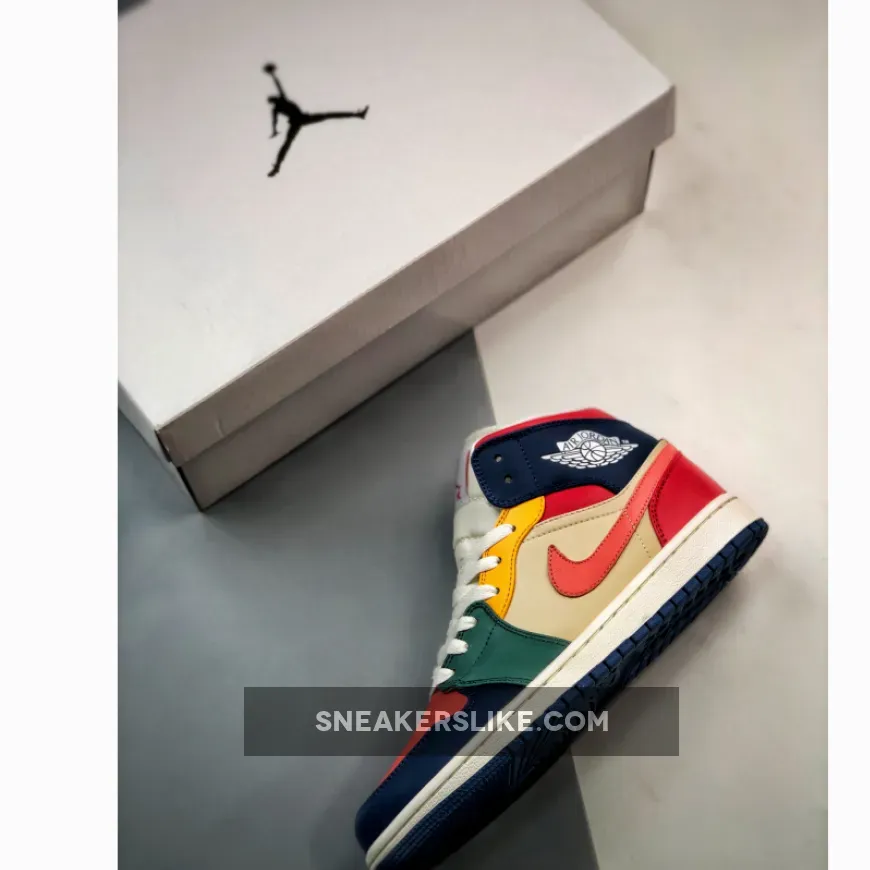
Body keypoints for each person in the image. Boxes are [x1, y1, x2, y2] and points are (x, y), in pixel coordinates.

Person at [263, 63, 369, 177]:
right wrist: (274, 130)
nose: (274, 97)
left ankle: (358, 115)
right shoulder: (279, 105)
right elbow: (274, 120)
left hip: (301, 119)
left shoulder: (280, 102)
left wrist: (273, 75)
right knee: (326, 117)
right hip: (298, 121)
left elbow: (278, 86)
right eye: (273, 98)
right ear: (273, 100)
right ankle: (277, 166)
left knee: (325, 117)